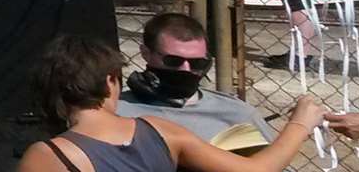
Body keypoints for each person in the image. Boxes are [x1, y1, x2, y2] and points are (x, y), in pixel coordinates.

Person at [18, 33, 319, 172]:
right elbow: (257, 170)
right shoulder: (160, 130)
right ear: (111, 80)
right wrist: (300, 123)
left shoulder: (47, 156)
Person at [117, 13, 274, 144]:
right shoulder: (115, 110)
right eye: (173, 61)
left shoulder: (237, 114)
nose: (185, 70)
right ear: (146, 53)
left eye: (197, 63)